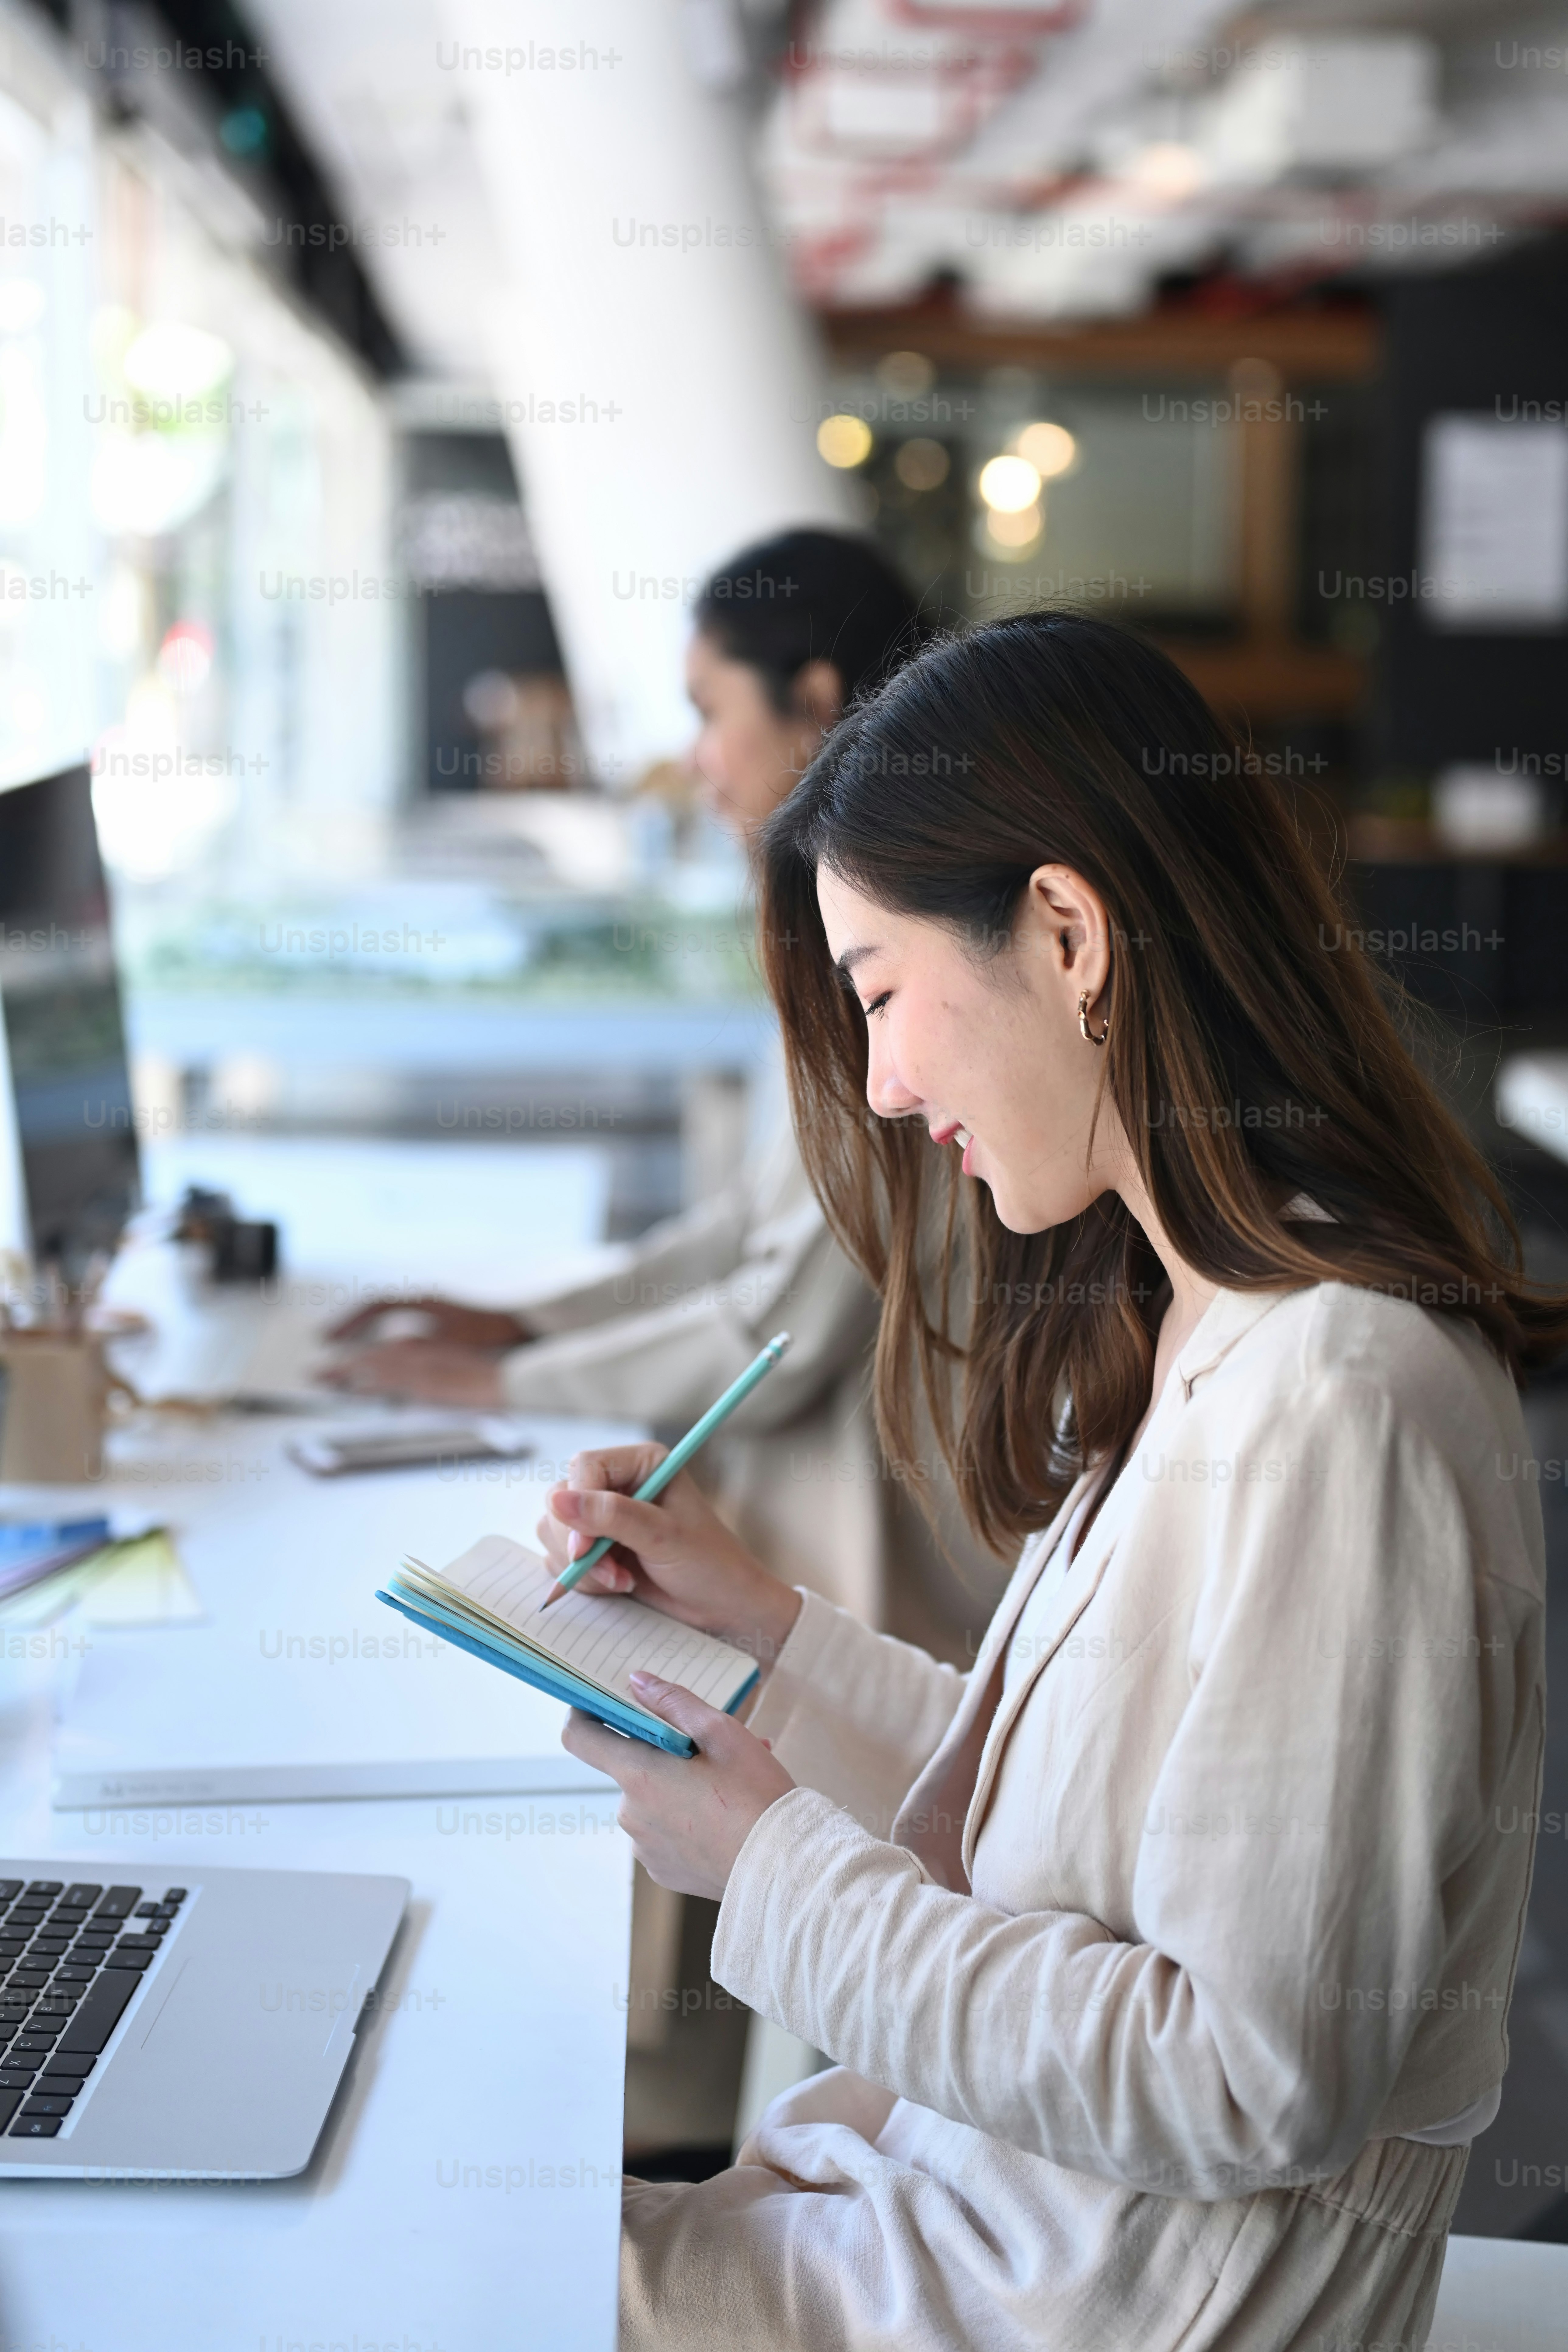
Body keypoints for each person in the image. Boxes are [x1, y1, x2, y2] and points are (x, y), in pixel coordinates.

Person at [537, 611, 1563, 2351]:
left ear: (1069, 934)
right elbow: (1074, 1833)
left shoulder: (1337, 1399)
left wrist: (769, 1863)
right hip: (980, 2238)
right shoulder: (1217, 1328)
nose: (883, 1082)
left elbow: (1246, 2077)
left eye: (880, 994)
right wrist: (761, 1622)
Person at [325, 529, 991, 1639]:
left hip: (889, 1614)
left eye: (708, 710)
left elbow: (775, 1332)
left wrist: (504, 1383)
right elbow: (754, 1231)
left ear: (815, 703)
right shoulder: (847, 936)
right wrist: (520, 1326)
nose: (698, 761)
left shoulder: (896, 966)